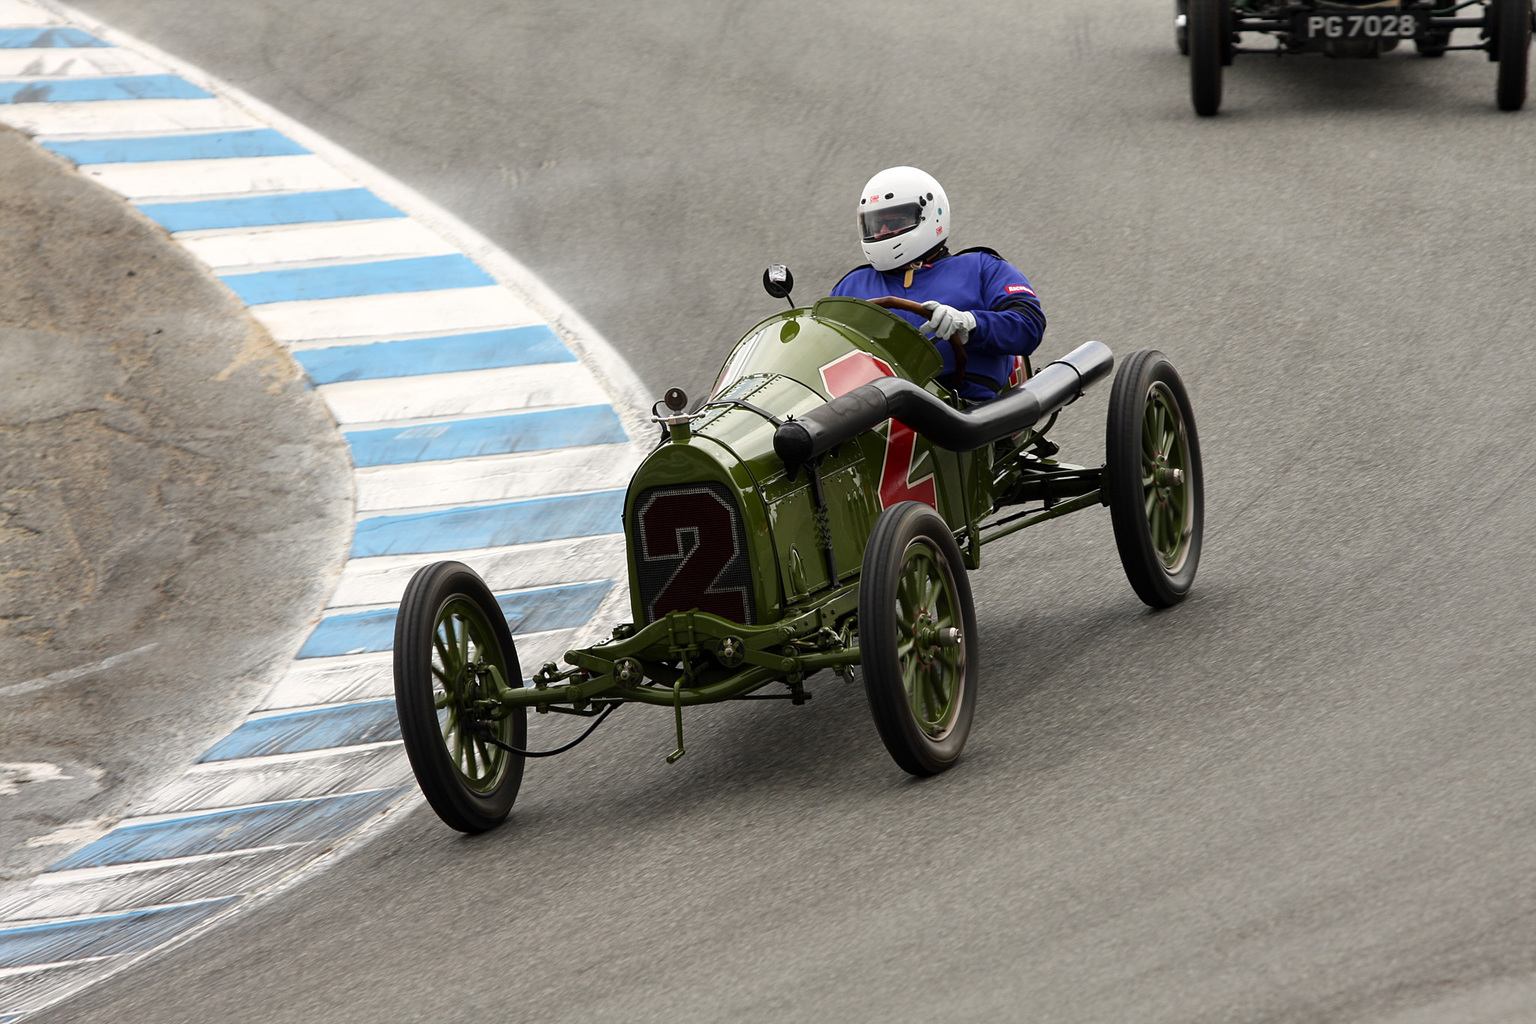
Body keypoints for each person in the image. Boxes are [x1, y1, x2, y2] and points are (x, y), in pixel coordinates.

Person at [830, 166, 1046, 403]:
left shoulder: (980, 267)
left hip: (961, 408)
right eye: (875, 224)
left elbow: (1029, 325)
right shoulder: (852, 285)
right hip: (863, 408)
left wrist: (970, 324)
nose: (882, 233)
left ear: (931, 215)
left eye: (894, 222)